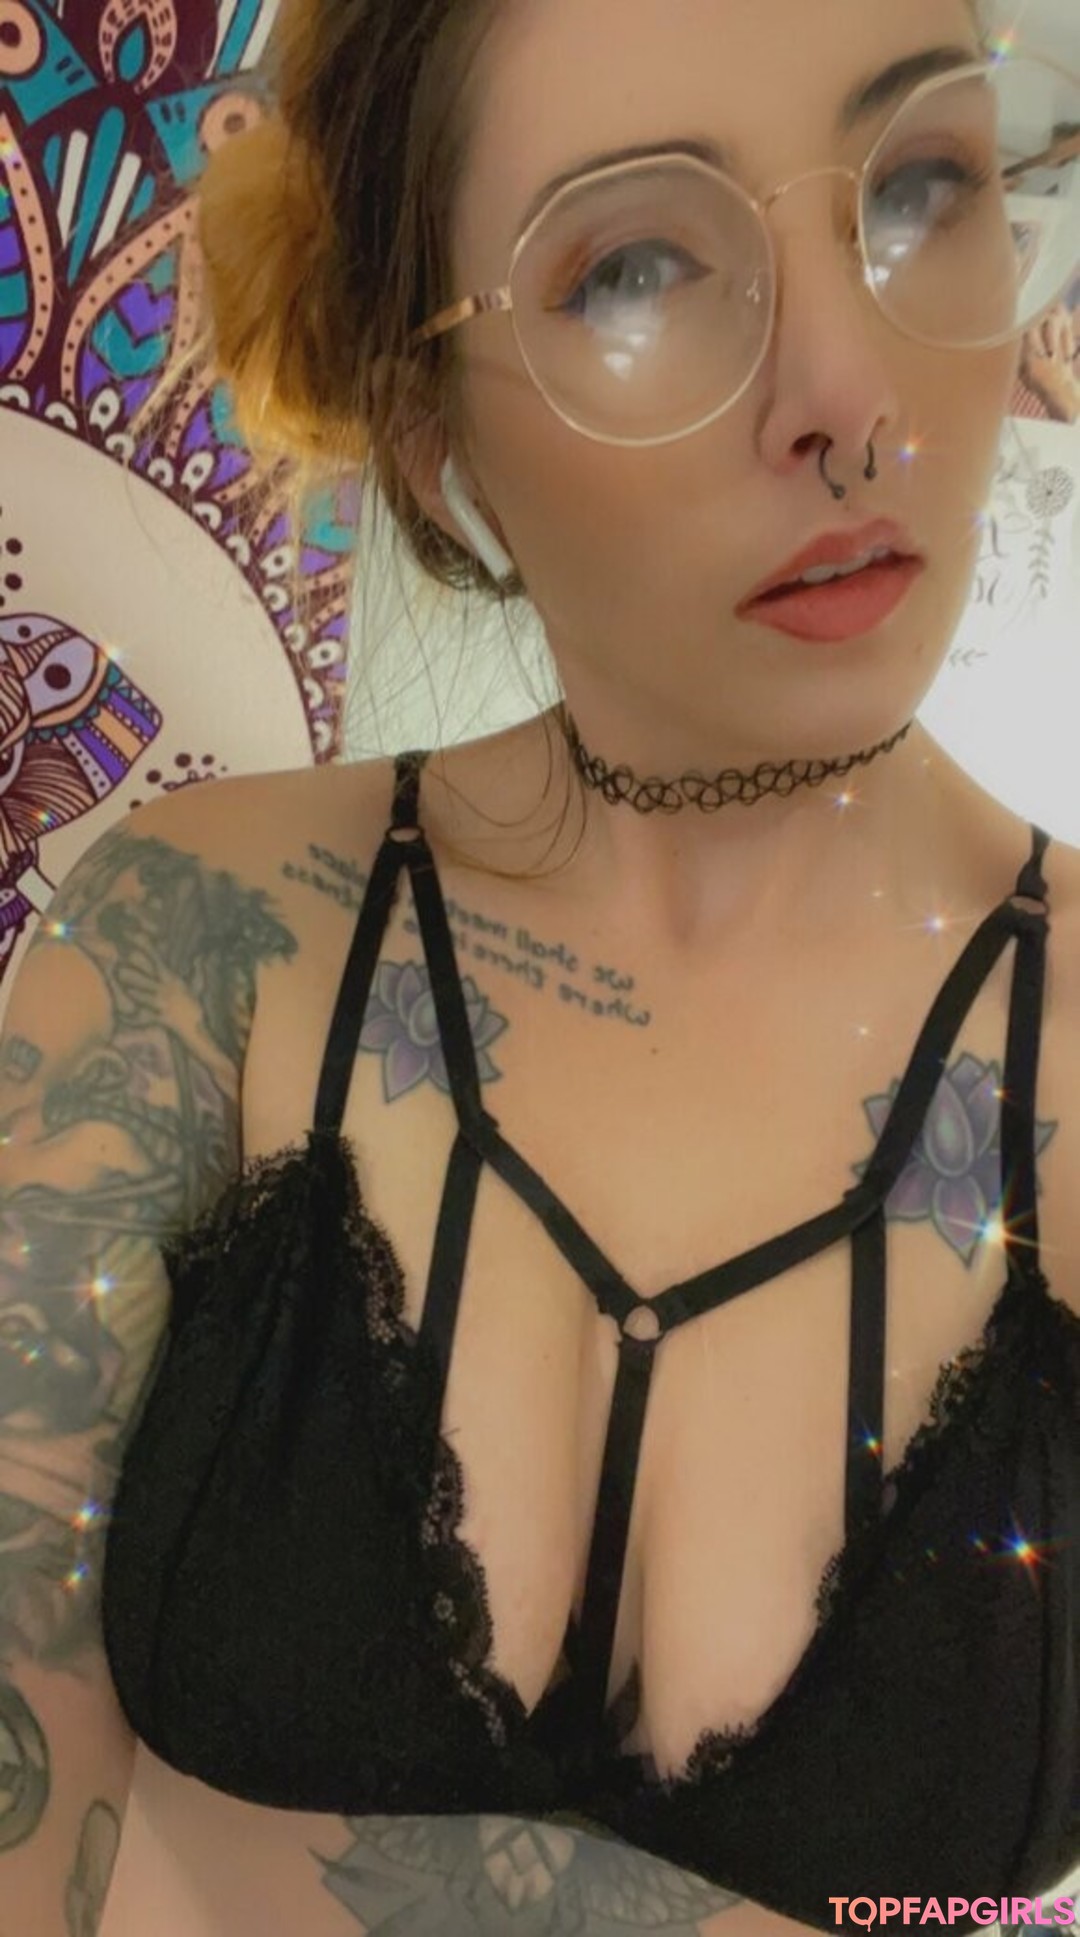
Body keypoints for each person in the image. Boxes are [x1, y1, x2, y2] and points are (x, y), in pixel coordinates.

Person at [1, 2, 1078, 1933]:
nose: (851, 391)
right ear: (428, 427)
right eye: (637, 264)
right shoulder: (194, 942)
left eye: (921, 183)